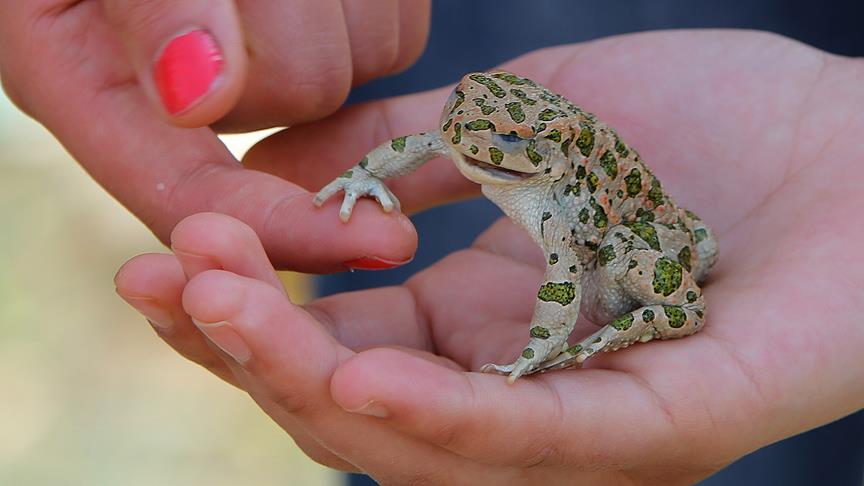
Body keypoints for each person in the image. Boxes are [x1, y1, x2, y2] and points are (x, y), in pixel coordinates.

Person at [2, 2, 861, 484]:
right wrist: (363, 176)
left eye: (491, 134)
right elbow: (429, 144)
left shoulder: (552, 184)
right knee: (432, 436)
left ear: (538, 151)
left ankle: (636, 327)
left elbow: (565, 267)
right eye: (468, 112)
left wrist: (536, 353)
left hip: (630, 228)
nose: (466, 136)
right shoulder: (480, 128)